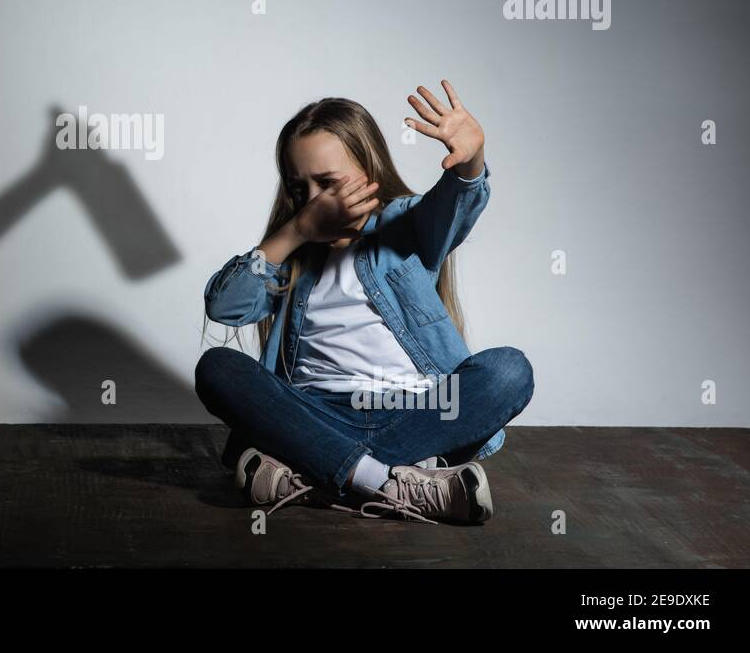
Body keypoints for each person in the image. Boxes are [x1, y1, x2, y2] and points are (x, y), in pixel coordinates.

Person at [194, 81, 534, 524]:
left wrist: (469, 160)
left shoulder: (405, 227)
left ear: (369, 170)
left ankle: (323, 473)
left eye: (329, 182)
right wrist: (294, 232)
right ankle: (394, 482)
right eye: (302, 190)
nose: (318, 201)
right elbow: (226, 306)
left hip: (413, 413)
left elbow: (455, 204)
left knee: (510, 370)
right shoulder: (292, 253)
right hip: (316, 413)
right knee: (217, 367)